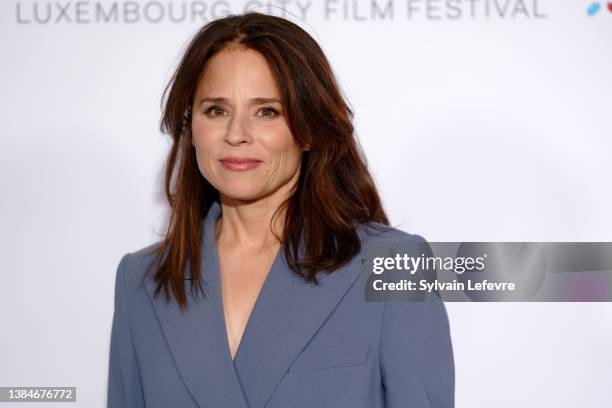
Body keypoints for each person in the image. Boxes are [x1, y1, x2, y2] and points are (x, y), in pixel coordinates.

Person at [107, 11, 454, 408]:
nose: (236, 134)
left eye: (267, 111)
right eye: (216, 110)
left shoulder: (394, 264)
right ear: (190, 125)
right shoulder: (141, 282)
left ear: (309, 128)